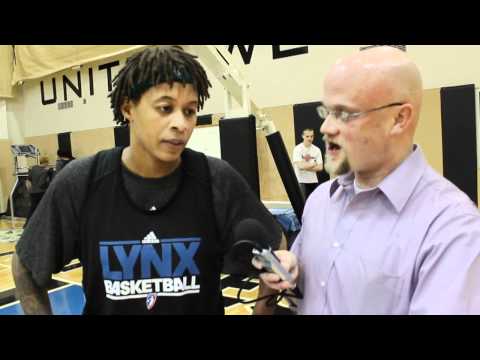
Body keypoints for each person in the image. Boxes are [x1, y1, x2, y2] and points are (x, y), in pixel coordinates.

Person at [12, 46, 284, 315]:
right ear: (128, 107)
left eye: (189, 111)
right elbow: (24, 265)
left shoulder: (217, 179)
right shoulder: (82, 181)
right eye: (165, 108)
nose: (182, 123)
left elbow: (276, 249)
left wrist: (262, 311)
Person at [257, 46, 480, 314]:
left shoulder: (451, 227)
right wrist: (288, 271)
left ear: (399, 118)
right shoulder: (320, 202)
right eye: (326, 112)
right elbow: (306, 296)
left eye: (344, 113)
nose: (326, 127)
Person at [292, 128, 323, 200]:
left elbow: (320, 168)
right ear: (303, 136)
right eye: (307, 136)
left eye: (312, 136)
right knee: (302, 204)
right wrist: (313, 164)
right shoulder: (297, 149)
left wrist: (305, 166)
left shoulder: (317, 150)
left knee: (314, 203)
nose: (310, 138)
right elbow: (300, 166)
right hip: (301, 181)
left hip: (313, 181)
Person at [24, 156, 53, 226]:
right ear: (46, 163)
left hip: (33, 193)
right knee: (45, 209)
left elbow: (28, 181)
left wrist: (30, 190)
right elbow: (49, 181)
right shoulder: (47, 170)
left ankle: (26, 224)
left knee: (32, 209)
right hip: (42, 192)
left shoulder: (33, 168)